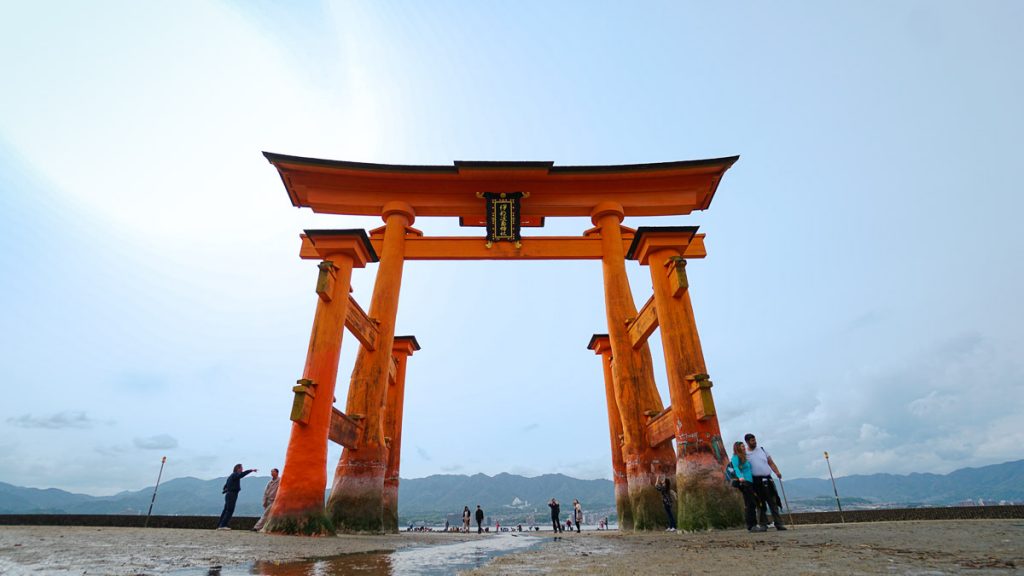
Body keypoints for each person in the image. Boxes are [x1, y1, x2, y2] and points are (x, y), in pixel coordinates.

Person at [744, 433, 786, 531]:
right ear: (747, 442)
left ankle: (779, 523)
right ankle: (763, 524)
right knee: (760, 503)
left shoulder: (762, 450)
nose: (754, 442)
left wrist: (777, 472)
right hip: (756, 481)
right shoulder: (745, 454)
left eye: (755, 440)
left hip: (767, 479)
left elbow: (770, 462)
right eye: (752, 441)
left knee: (773, 502)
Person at [731, 442, 765, 532]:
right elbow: (736, 468)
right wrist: (740, 477)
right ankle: (751, 525)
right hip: (745, 482)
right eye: (742, 446)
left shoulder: (744, 457)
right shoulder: (736, 457)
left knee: (752, 503)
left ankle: (752, 524)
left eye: (744, 446)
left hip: (750, 481)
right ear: (738, 448)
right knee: (750, 503)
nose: (744, 447)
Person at [217, 463, 256, 530]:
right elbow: (241, 475)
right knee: (230, 510)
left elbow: (225, 486)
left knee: (226, 510)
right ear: (238, 469)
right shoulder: (235, 475)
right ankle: (223, 525)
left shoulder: (231, 476)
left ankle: (220, 524)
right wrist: (250, 470)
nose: (242, 470)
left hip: (228, 494)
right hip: (232, 494)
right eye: (241, 468)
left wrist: (227, 489)